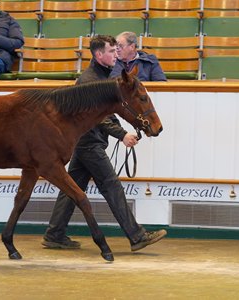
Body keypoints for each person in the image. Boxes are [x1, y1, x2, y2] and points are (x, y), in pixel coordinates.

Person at [42, 35, 167, 252]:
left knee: (71, 188)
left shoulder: (105, 76)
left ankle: (54, 234)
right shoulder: (90, 81)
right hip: (89, 143)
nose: (116, 54)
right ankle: (137, 236)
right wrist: (121, 135)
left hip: (85, 142)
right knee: (111, 186)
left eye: (117, 50)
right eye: (111, 51)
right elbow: (99, 117)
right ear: (99, 55)